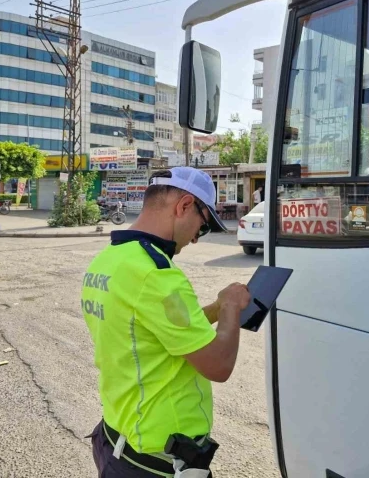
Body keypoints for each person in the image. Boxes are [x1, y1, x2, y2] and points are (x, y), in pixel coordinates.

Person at [82, 167, 251, 477]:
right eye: (202, 226)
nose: (197, 239)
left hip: (116, 439)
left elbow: (164, 328)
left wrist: (214, 308)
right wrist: (229, 308)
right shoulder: (157, 275)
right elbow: (218, 366)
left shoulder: (111, 258)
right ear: (184, 206)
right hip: (156, 463)